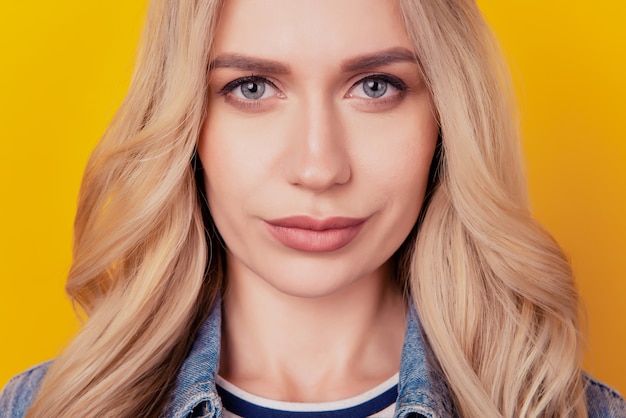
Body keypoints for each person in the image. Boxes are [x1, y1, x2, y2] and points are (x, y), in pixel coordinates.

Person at [1, 0, 624, 417]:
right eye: (252, 88)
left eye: (376, 86)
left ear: (446, 119)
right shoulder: (37, 407)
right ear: (185, 124)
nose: (319, 168)